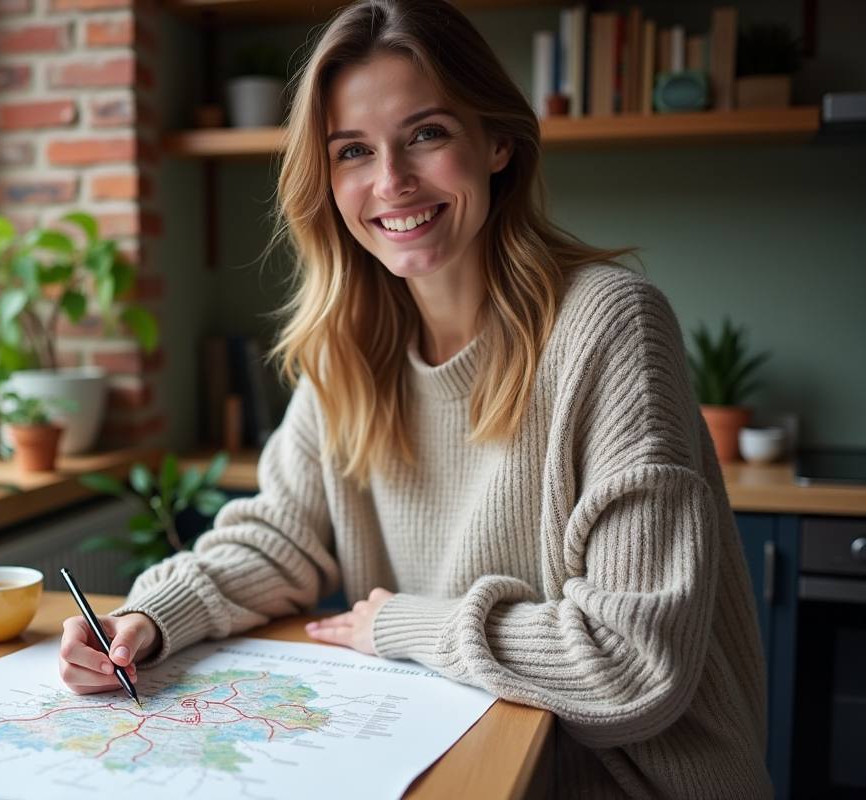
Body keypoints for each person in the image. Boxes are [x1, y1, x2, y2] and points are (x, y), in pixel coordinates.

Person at [58, 0, 772, 796]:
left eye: (426, 134)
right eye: (353, 150)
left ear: (497, 140)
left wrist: (399, 625)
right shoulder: (346, 349)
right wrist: (149, 620)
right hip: (460, 752)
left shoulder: (609, 325)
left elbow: (630, 667)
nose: (391, 181)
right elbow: (275, 541)